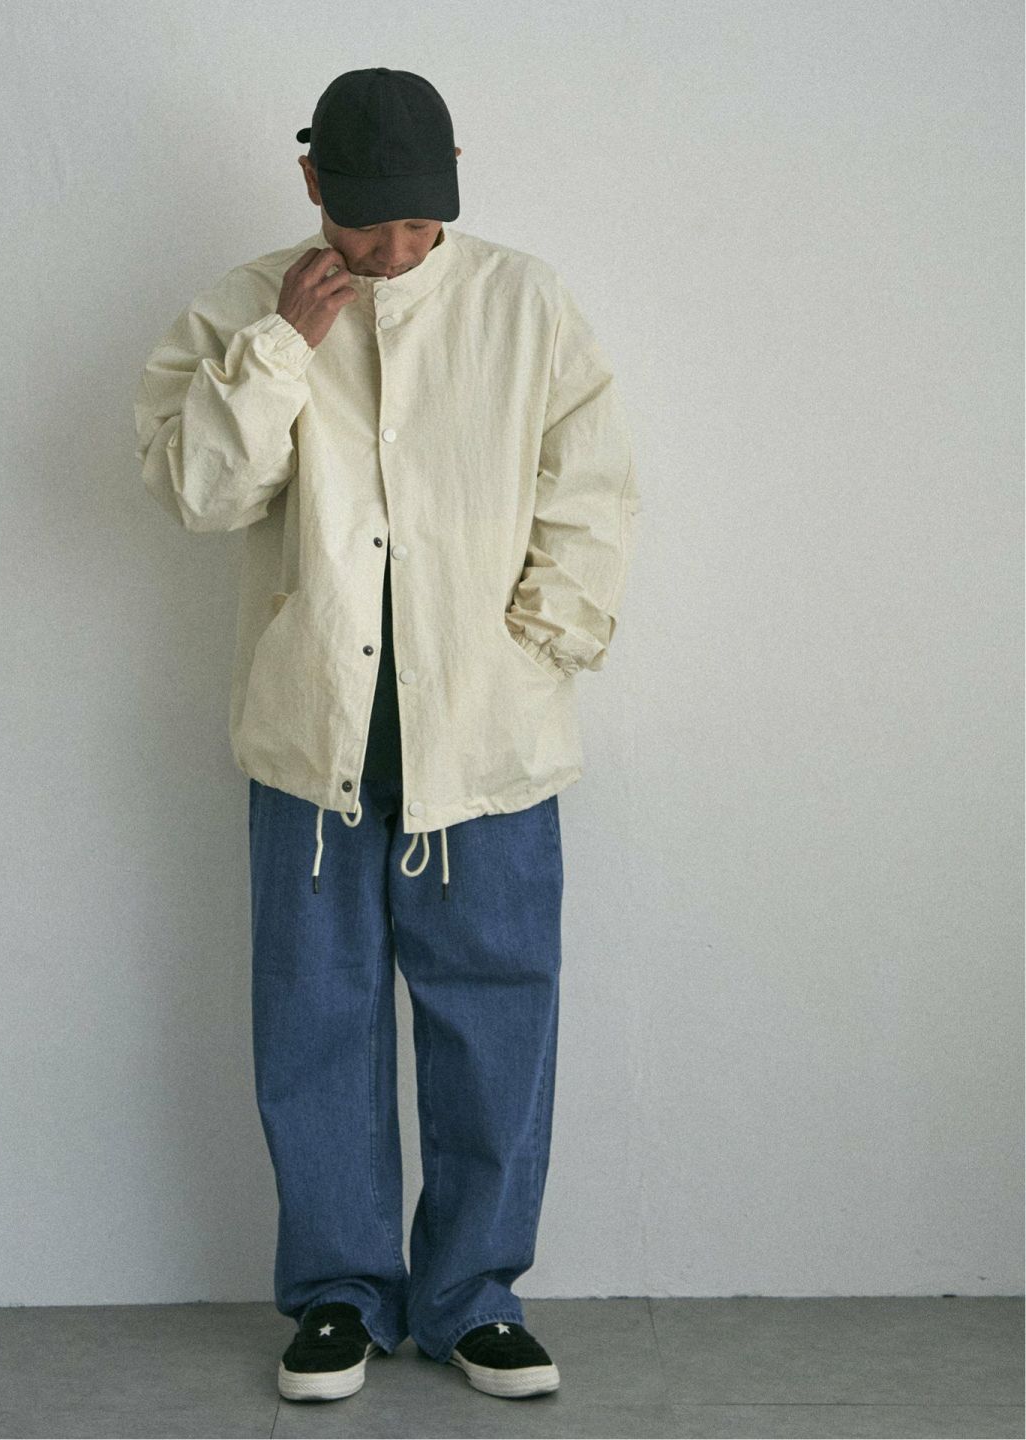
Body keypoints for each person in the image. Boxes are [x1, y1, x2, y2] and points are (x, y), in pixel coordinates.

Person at [134, 66, 640, 1403]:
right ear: (314, 186)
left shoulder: (524, 303)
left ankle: (475, 1298)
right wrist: (282, 349)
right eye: (370, 225)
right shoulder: (247, 308)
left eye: (421, 223)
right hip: (316, 736)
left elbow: (592, 487)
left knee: (498, 1018)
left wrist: (537, 649)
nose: (398, 250)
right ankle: (338, 1298)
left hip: (485, 738)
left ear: (454, 183)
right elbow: (196, 491)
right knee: (316, 1018)